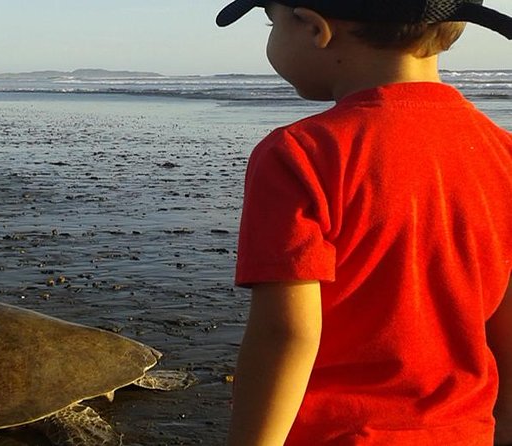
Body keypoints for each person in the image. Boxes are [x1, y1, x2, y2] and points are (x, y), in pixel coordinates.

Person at [216, 0, 512, 444]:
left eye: (269, 21)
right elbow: (504, 317)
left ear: (315, 28)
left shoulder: (301, 154)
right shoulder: (502, 152)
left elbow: (286, 333)